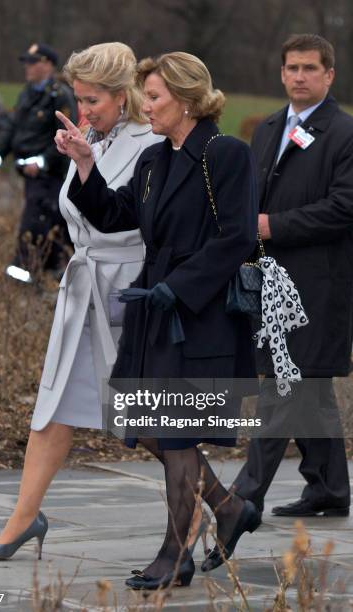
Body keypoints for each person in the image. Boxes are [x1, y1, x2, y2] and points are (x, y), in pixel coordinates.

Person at [54, 51, 260, 589]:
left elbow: (237, 237)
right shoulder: (155, 160)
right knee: (154, 424)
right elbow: (118, 216)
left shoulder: (226, 153)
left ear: (188, 100)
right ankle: (229, 508)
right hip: (157, 309)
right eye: (146, 95)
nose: (146, 105)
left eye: (155, 96)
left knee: (174, 435)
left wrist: (180, 288)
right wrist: (84, 164)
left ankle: (176, 553)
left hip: (199, 314)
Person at [0, 42, 163, 560]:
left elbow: (118, 217)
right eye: (79, 98)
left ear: (123, 95)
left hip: (123, 291)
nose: (83, 110)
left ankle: (216, 498)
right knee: (53, 406)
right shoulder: (95, 139)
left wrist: (83, 162)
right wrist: (82, 154)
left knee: (140, 414)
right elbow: (75, 216)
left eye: (93, 100)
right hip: (83, 287)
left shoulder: (152, 144)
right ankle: (22, 518)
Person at [232, 34, 353, 518]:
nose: (299, 76)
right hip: (270, 280)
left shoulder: (344, 133)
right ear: (281, 74)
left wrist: (272, 225)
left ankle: (242, 497)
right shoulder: (266, 129)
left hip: (319, 285)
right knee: (309, 387)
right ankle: (328, 488)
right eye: (291, 68)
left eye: (309, 68)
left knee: (284, 385)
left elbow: (345, 207)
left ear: (329, 75)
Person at [0, 43, 77, 282]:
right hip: (29, 174)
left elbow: (65, 137)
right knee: (53, 222)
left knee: (37, 221)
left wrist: (41, 162)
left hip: (50, 175)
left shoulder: (59, 95)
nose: (28, 67)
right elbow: (12, 130)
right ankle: (55, 271)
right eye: (27, 63)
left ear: (48, 64)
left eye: (34, 62)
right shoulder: (27, 93)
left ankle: (23, 272)